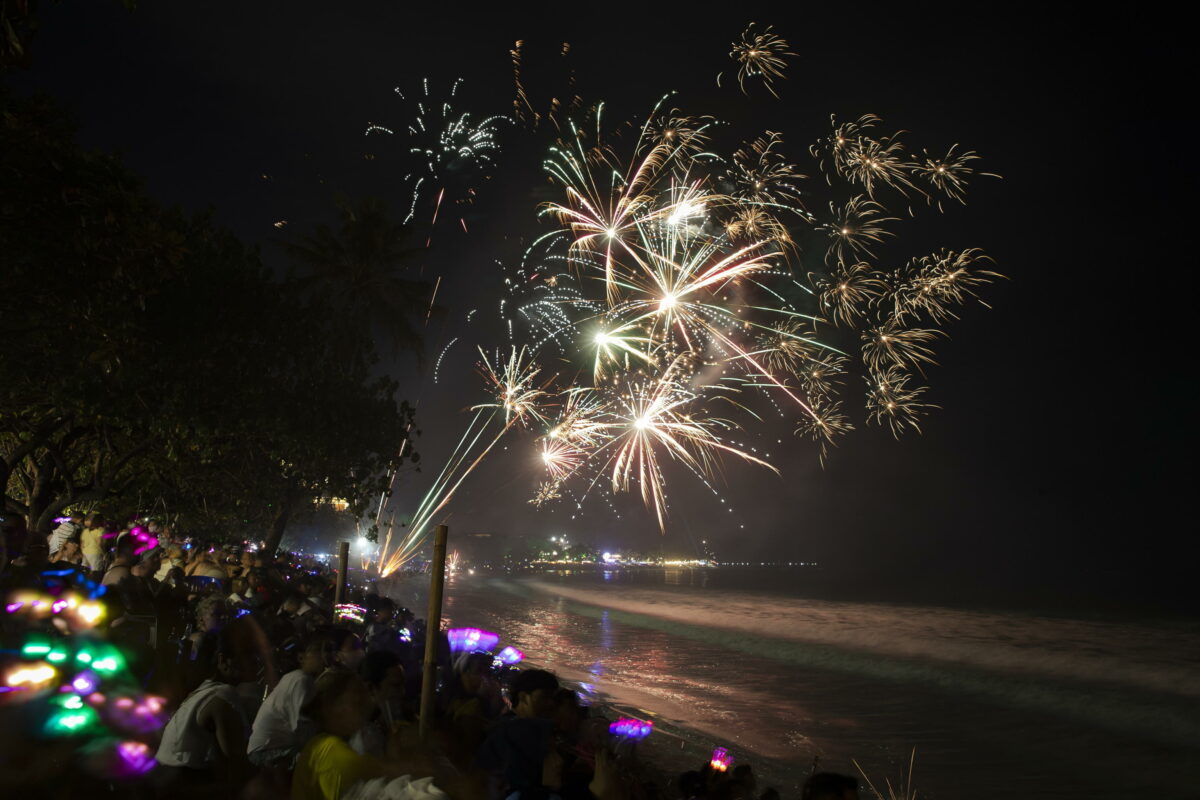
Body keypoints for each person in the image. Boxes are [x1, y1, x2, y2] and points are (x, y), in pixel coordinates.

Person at [291, 669, 425, 800]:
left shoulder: (321, 745)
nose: (368, 704)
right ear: (331, 707)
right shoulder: (331, 752)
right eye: (357, 700)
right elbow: (380, 770)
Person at [155, 626, 255, 791]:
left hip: (168, 782)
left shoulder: (203, 690)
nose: (254, 663)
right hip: (186, 786)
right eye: (247, 656)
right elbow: (236, 760)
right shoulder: (222, 695)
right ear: (223, 660)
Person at [477, 668, 561, 800]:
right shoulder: (518, 733)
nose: (551, 703)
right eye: (544, 696)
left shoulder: (506, 726)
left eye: (552, 698)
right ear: (523, 697)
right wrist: (550, 788)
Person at [247, 632, 329, 768]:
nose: (326, 657)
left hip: (269, 749)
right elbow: (303, 727)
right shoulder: (301, 680)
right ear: (301, 657)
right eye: (319, 651)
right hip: (268, 752)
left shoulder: (295, 678)